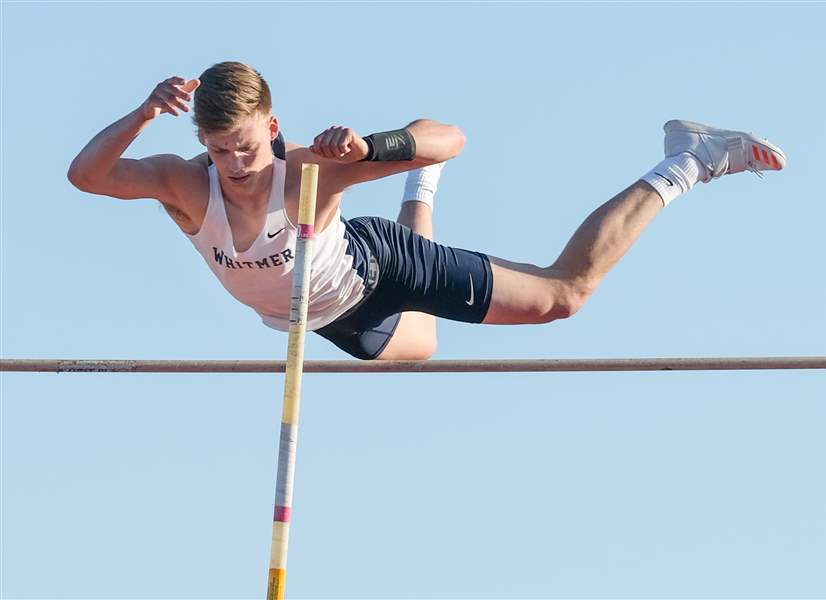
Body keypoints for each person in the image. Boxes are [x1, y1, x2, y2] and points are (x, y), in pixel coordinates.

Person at [68, 61, 786, 360]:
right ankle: (423, 195)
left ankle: (690, 159)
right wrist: (139, 112)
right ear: (200, 140)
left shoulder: (306, 174)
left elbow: (452, 137)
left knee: (563, 297)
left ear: (273, 125)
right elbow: (86, 177)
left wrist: (377, 149)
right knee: (428, 351)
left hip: (377, 268)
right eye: (220, 150)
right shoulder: (185, 185)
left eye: (248, 146)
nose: (237, 164)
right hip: (326, 320)